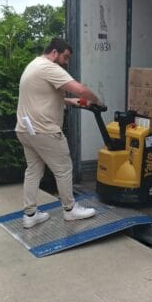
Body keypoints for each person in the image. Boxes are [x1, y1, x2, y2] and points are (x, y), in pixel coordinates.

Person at [16, 38, 102, 228]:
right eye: (65, 57)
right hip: (44, 130)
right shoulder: (48, 67)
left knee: (33, 171)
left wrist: (74, 103)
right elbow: (80, 89)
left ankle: (30, 215)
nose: (66, 62)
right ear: (54, 53)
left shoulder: (33, 65)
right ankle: (70, 210)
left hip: (26, 130)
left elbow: (45, 97)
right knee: (63, 168)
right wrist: (96, 101)